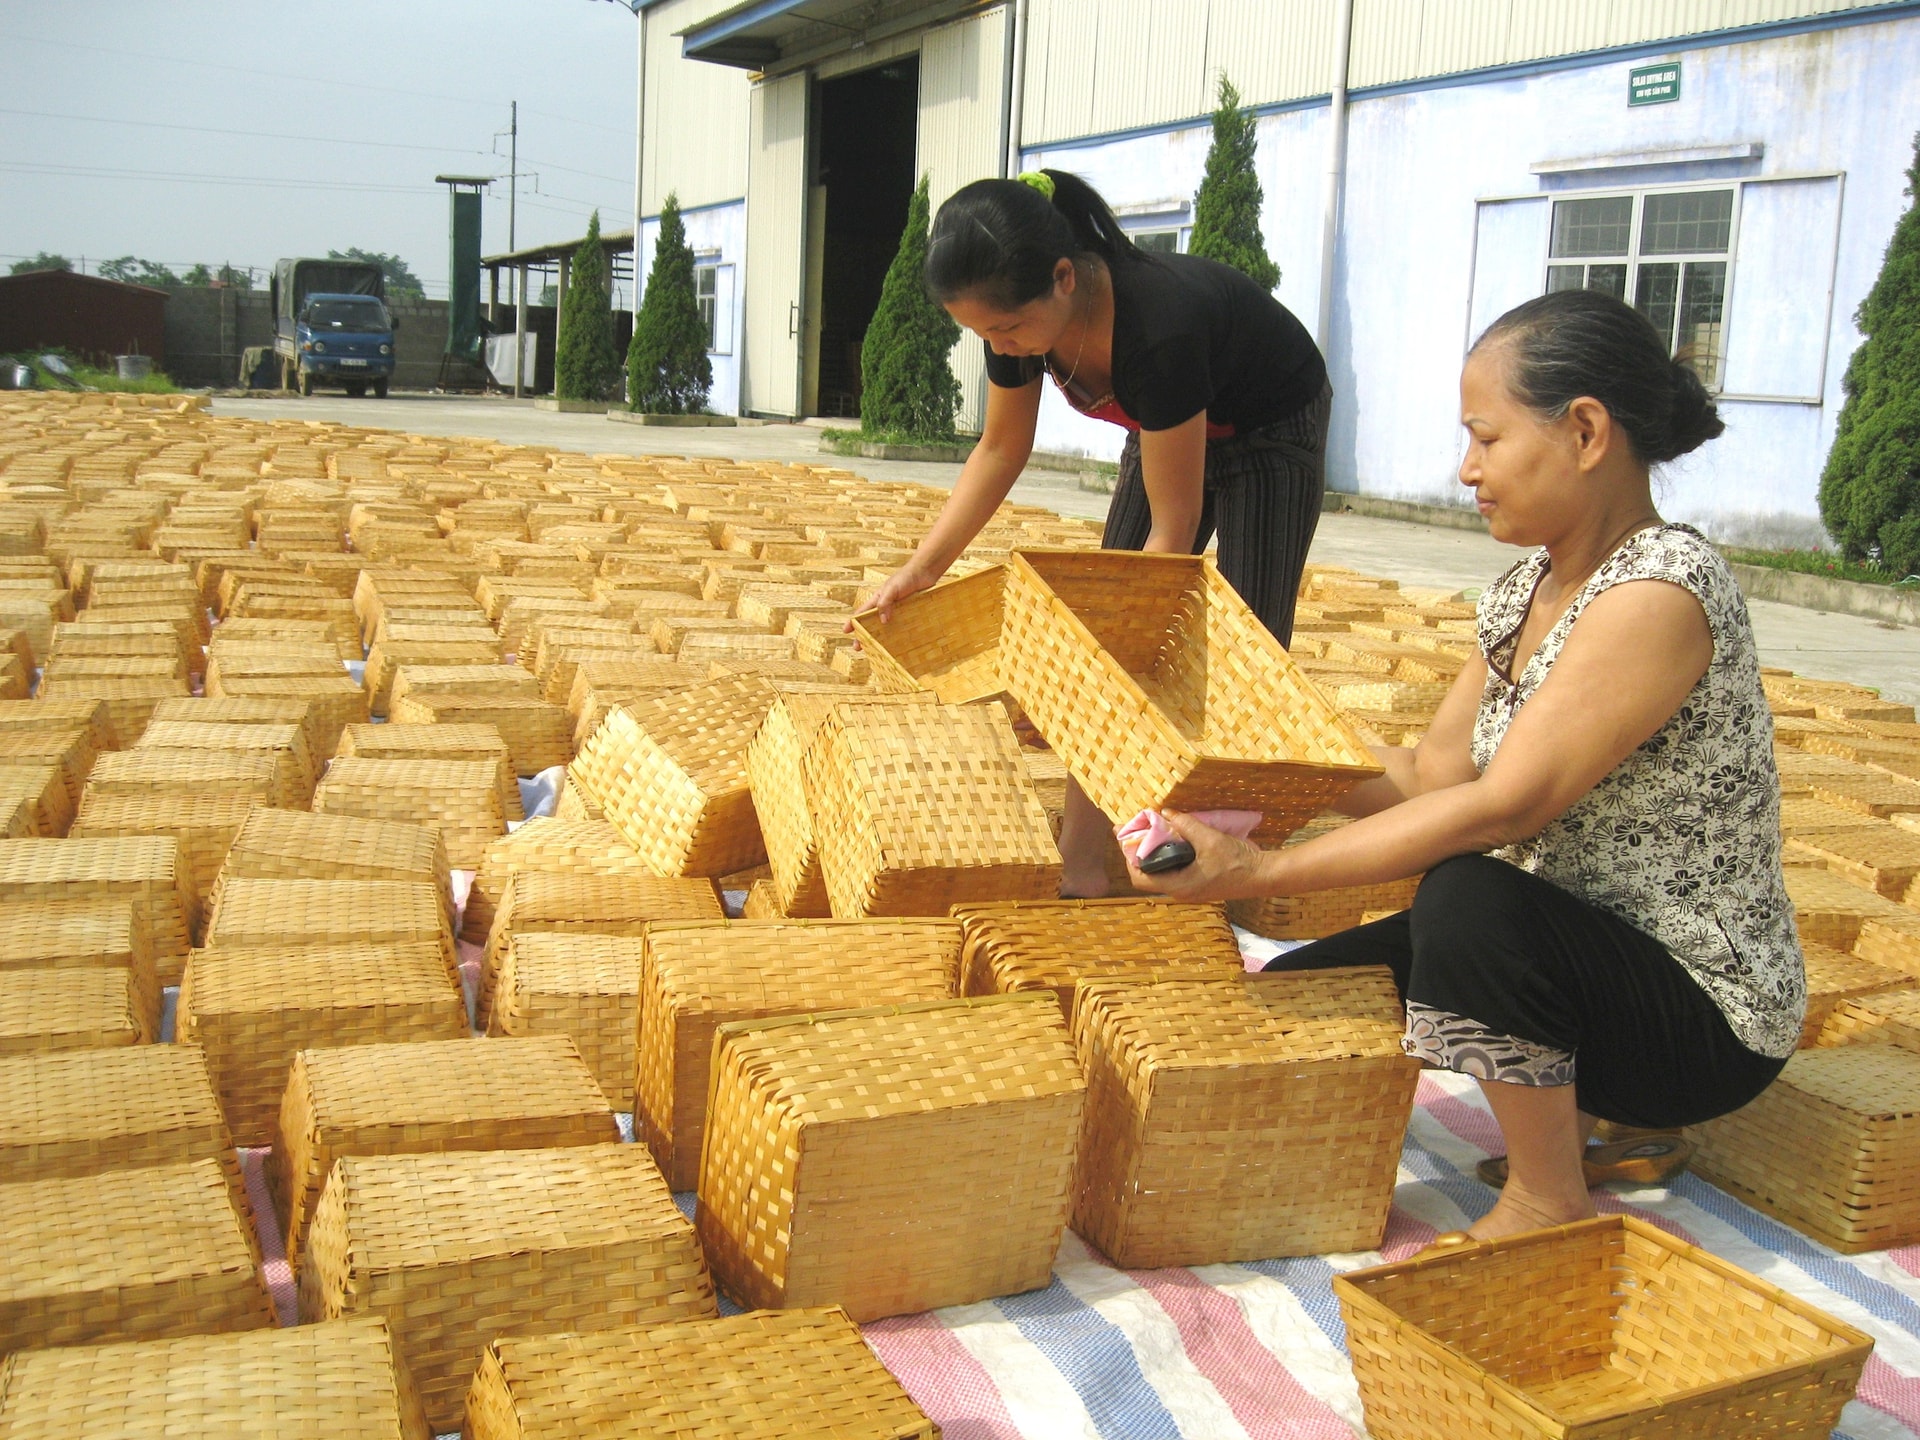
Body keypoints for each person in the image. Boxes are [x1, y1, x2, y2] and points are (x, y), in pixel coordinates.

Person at [1124, 287, 1805, 1244]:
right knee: (1303, 998)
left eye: (1486, 438)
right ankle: (1590, 1124)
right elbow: (1426, 777)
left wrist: (1262, 871)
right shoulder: (1529, 588)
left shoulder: (1660, 592)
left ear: (1584, 431)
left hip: (1697, 1018)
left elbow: (1502, 809)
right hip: (1566, 958)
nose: (1466, 468)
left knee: (1465, 899)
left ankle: (1544, 1198)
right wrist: (1251, 747)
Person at [867, 168, 1331, 899]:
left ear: (1062, 279)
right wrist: (922, 569)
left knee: (1243, 652)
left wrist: (1119, 643)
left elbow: (1173, 530)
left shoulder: (1159, 329)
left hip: (1268, 425)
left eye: (1008, 327)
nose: (1001, 345)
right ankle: (1081, 864)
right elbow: (998, 449)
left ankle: (1224, 869)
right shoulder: (1014, 325)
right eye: (984, 333)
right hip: (1168, 426)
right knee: (1098, 646)